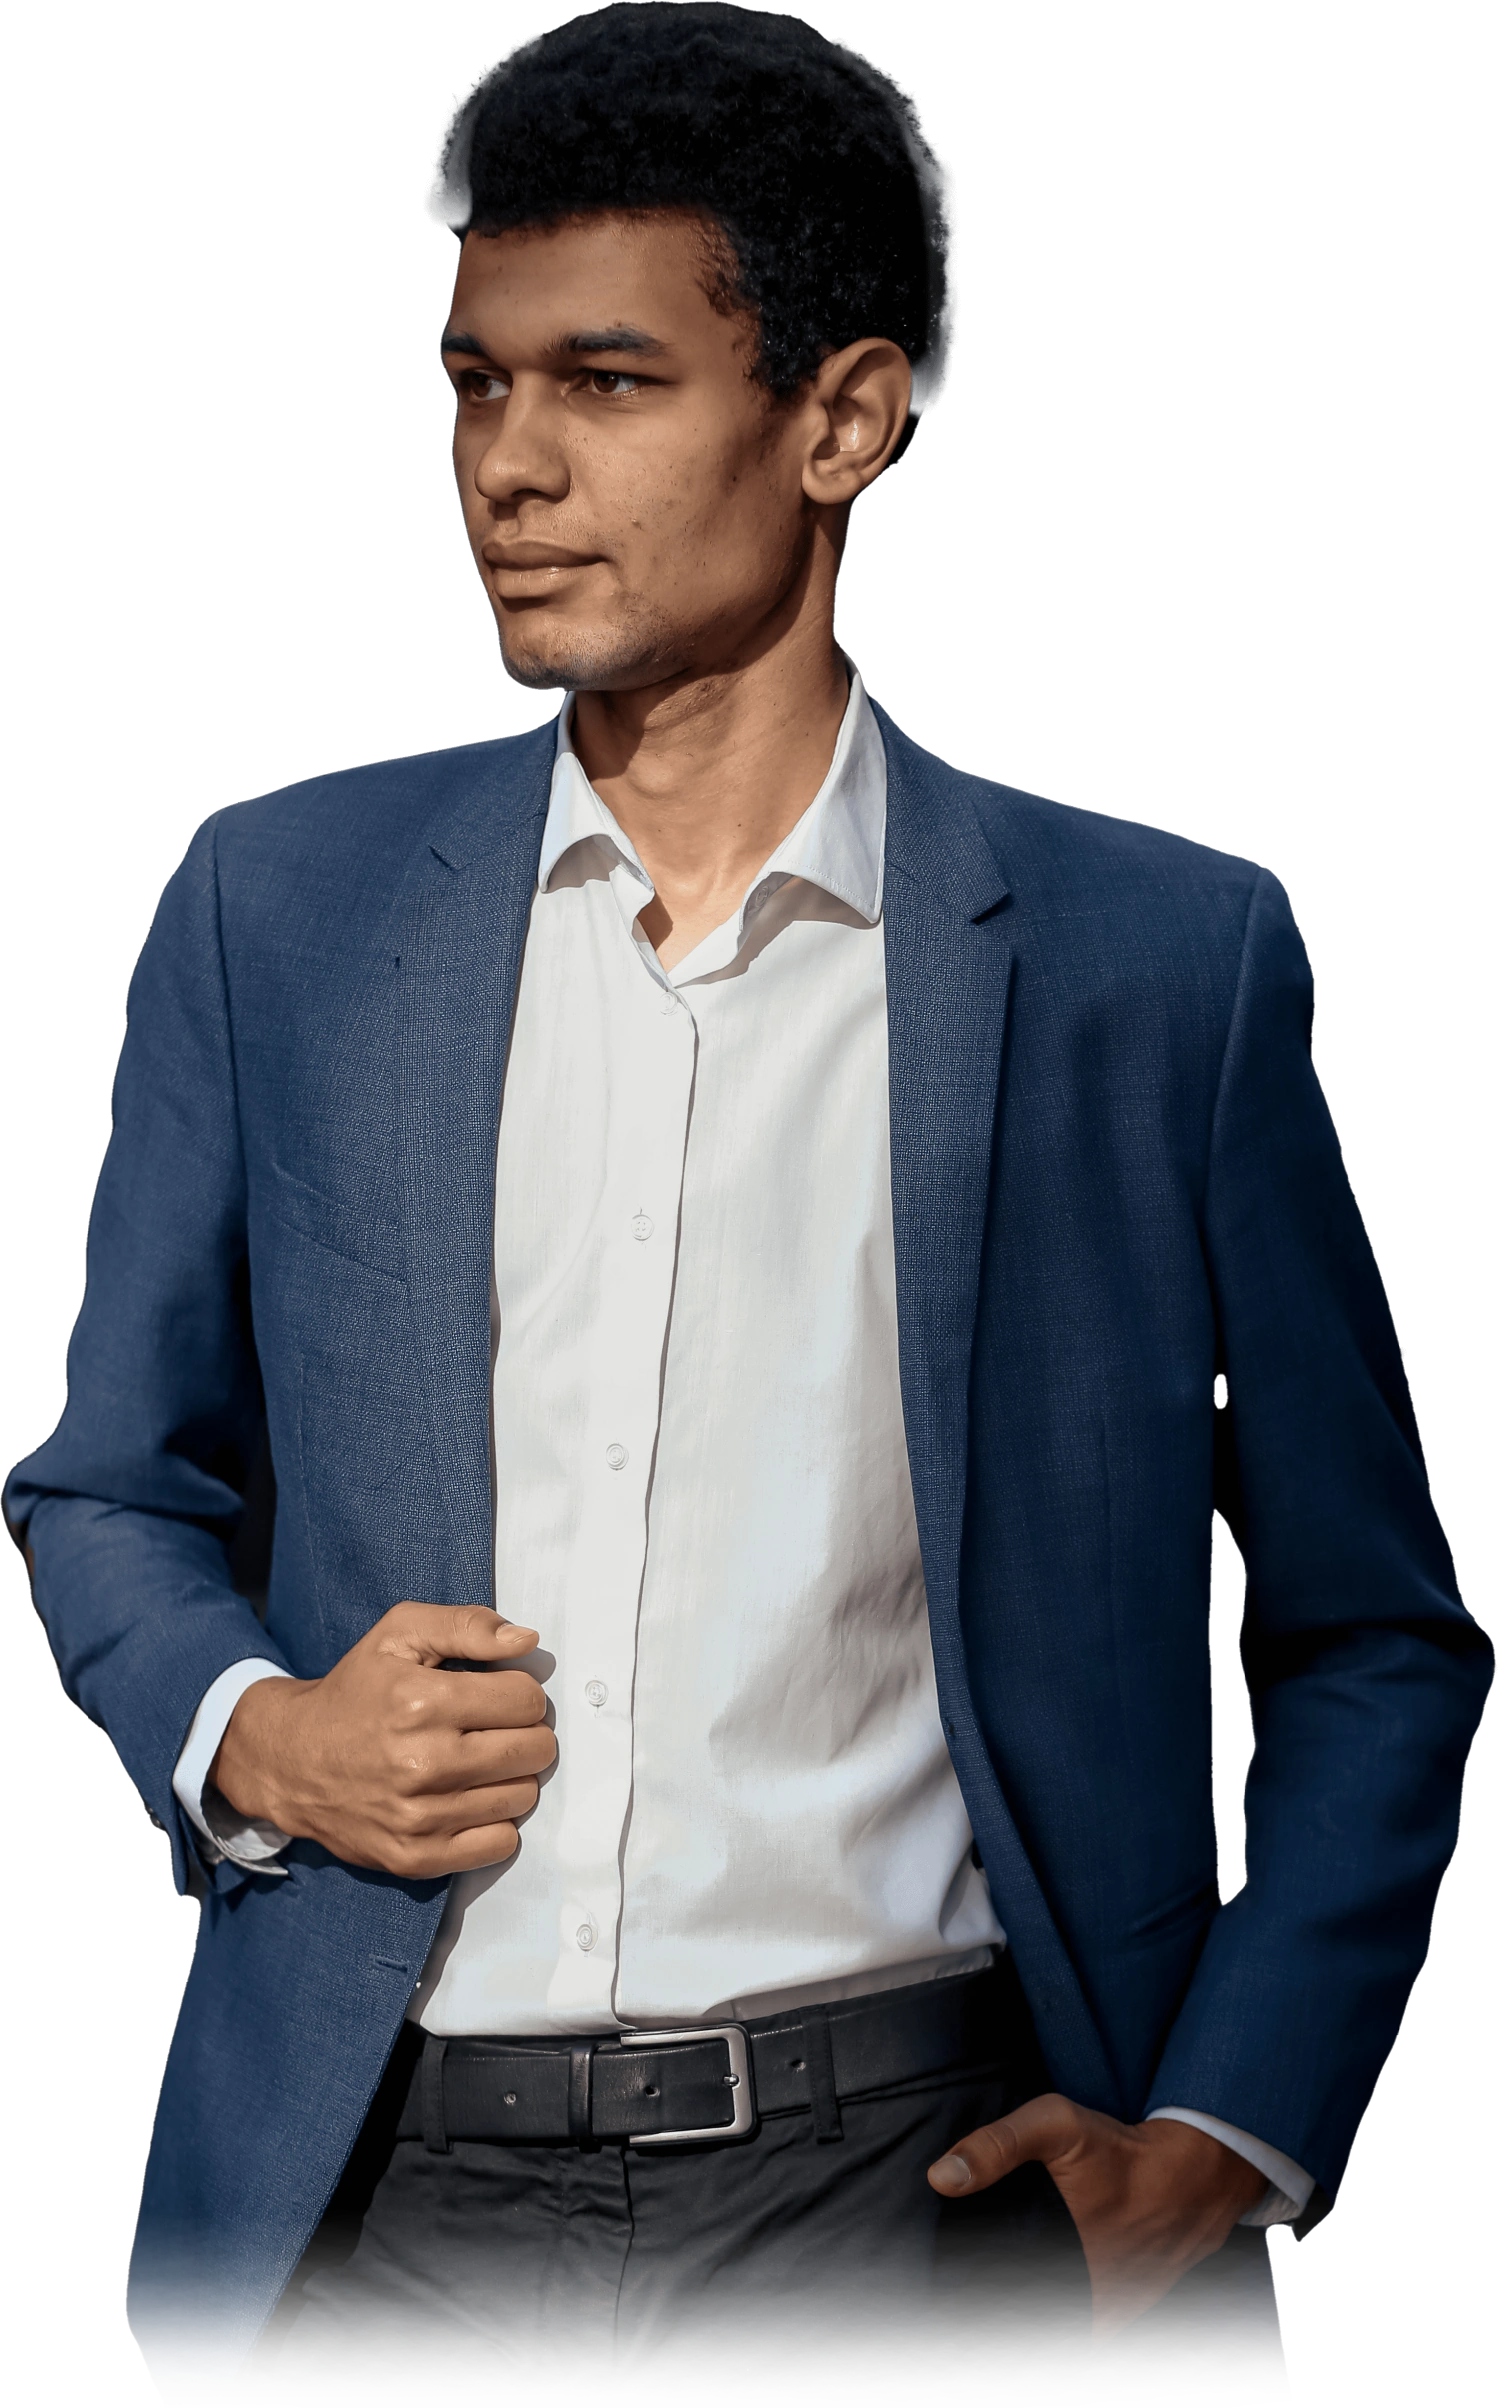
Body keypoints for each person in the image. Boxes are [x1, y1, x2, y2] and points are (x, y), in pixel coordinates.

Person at [7, 8, 1488, 2405]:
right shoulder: (279, 909)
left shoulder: (1157, 965)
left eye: (607, 382)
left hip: (906, 2208)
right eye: (478, 387)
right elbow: (105, 1486)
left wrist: (1215, 2142)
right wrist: (253, 1730)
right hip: (361, 2209)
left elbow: (1374, 1631)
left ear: (841, 420)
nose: (511, 462)